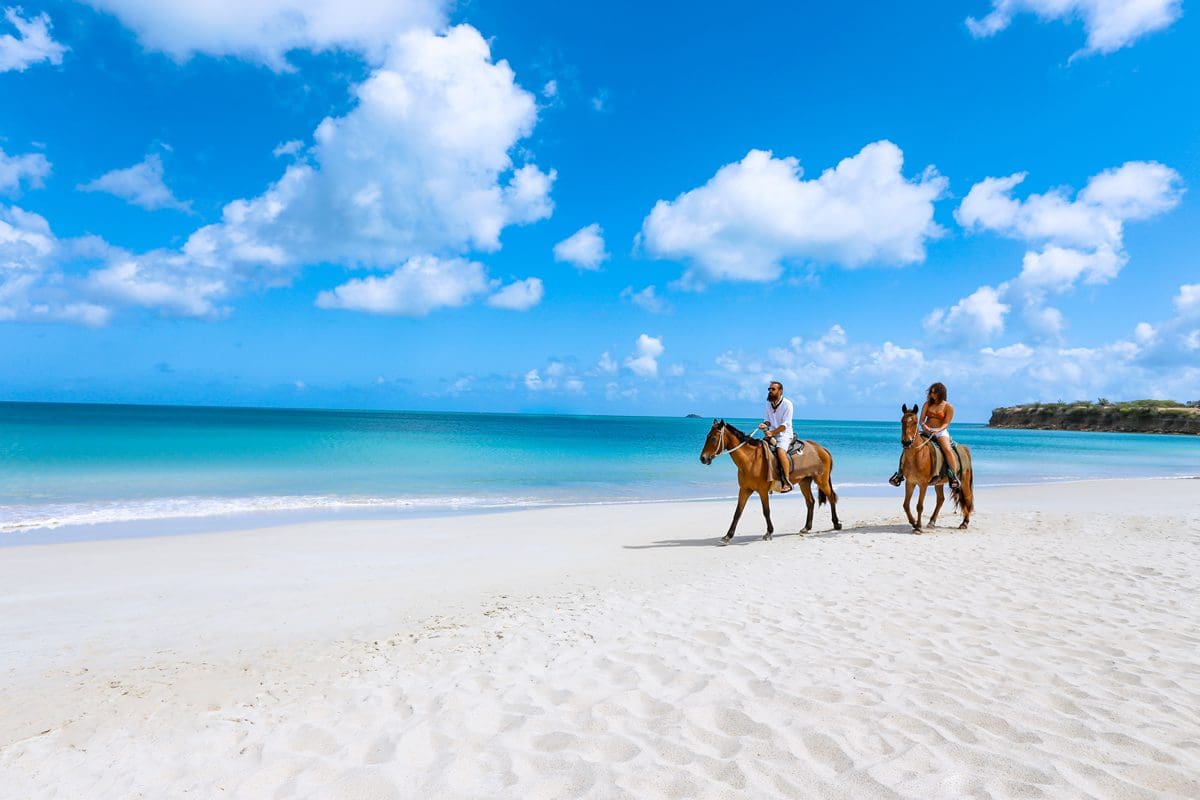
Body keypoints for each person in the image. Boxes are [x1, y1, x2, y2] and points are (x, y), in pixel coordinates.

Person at [889, 381, 960, 489]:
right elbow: (921, 420)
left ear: (941, 393)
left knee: (947, 449)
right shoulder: (927, 404)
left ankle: (953, 476)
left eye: (934, 392)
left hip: (940, 431)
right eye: (931, 392)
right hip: (926, 430)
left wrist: (938, 430)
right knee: (908, 447)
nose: (932, 395)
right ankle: (900, 474)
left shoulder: (948, 407)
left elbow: (946, 423)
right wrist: (925, 426)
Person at [758, 380, 794, 493]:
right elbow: (768, 421)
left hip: (785, 434)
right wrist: (765, 424)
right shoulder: (768, 404)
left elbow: (785, 425)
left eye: (773, 389)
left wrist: (772, 433)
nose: (770, 391)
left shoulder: (787, 404)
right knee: (760, 448)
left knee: (780, 451)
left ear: (780, 391)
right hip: (772, 433)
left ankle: (786, 482)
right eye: (769, 389)